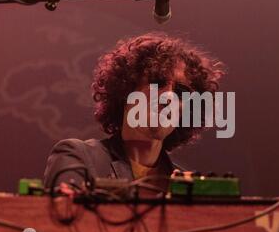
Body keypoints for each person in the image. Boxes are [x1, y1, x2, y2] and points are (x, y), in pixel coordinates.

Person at [43, 32, 225, 194]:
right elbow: (63, 218)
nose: (168, 96)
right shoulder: (77, 156)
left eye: (181, 92)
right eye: (157, 83)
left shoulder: (185, 185)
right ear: (126, 91)